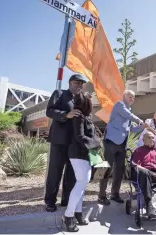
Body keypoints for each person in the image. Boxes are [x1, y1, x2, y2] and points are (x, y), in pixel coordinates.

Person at [44, 73, 88, 212]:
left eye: (81, 84)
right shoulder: (59, 93)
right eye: (77, 83)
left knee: (71, 173)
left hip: (74, 142)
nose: (79, 85)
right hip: (59, 140)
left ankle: (66, 200)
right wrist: (65, 115)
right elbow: (49, 111)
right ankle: (50, 201)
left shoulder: (81, 99)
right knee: (55, 171)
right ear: (70, 83)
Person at [98, 90, 145, 205]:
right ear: (124, 96)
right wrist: (139, 120)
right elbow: (128, 116)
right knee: (107, 168)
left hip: (122, 144)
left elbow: (131, 128)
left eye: (133, 98)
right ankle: (101, 195)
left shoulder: (129, 111)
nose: (132, 99)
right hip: (111, 142)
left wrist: (142, 127)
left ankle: (115, 194)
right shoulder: (119, 105)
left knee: (119, 170)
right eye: (130, 97)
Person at [62, 92, 100, 232]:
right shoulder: (78, 116)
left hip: (85, 154)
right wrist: (96, 143)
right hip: (78, 153)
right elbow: (79, 137)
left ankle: (77, 213)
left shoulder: (85, 117)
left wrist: (95, 143)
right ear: (86, 103)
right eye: (90, 100)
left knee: (83, 183)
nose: (92, 103)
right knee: (81, 183)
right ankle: (68, 215)